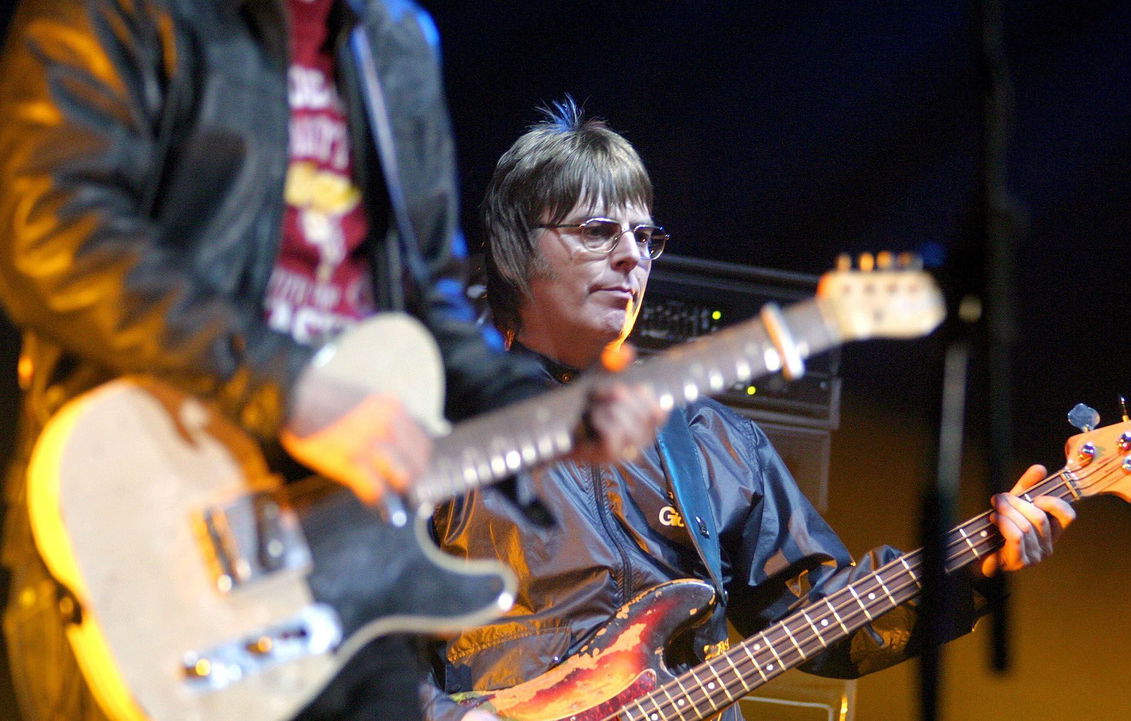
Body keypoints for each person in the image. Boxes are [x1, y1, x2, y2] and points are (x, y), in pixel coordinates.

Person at [0, 4, 661, 721]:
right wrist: (288, 388)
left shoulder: (395, 39)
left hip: (343, 559)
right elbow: (53, 236)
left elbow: (429, 309)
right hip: (155, 531)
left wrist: (550, 413)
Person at [418, 99, 1076, 721]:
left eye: (646, 236)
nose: (631, 256)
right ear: (513, 248)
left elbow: (822, 615)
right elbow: (337, 623)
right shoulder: (431, 425)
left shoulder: (706, 438)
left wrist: (975, 572)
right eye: (597, 230)